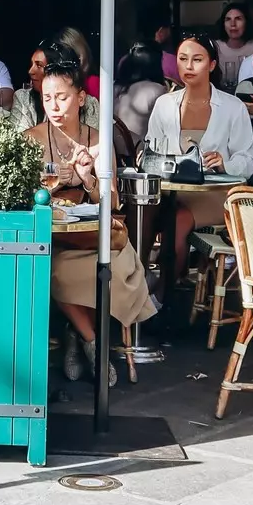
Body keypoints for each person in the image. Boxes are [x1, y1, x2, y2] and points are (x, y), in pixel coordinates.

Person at [23, 54, 154, 385]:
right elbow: (22, 197)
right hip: (54, 235)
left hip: (95, 231)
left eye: (62, 97)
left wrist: (88, 179)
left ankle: (74, 334)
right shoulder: (30, 139)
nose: (55, 106)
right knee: (56, 270)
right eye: (47, 98)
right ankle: (92, 342)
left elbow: (110, 203)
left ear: (81, 98)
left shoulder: (97, 139)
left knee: (111, 268)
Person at [147, 35, 253, 267]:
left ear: (212, 65)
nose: (188, 66)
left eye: (197, 59)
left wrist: (224, 163)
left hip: (214, 194)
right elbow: (151, 152)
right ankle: (137, 284)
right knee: (139, 213)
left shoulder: (232, 107)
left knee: (178, 220)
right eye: (183, 59)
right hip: (171, 191)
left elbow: (248, 161)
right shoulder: (164, 104)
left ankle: (162, 295)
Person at [13, 41, 104, 131]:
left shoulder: (90, 104)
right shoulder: (23, 98)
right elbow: (19, 141)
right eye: (47, 98)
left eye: (39, 65)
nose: (30, 71)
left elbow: (95, 138)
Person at [215, 3, 253, 90]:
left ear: (247, 22)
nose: (233, 24)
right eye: (228, 19)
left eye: (238, 19)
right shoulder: (214, 47)